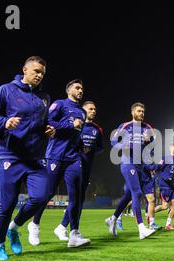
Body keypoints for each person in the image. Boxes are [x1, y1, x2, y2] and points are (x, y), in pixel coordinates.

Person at [0, 56, 55, 261]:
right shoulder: (6, 90)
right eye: (36, 71)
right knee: (7, 204)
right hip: (9, 155)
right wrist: (4, 122)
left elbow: (42, 122)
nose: (39, 75)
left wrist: (49, 130)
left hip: (35, 157)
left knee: (42, 196)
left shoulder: (45, 98)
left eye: (42, 73)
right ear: (24, 70)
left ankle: (14, 227)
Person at [28, 79, 90, 248]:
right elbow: (47, 123)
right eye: (77, 88)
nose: (80, 91)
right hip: (55, 155)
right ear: (69, 90)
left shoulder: (82, 113)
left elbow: (75, 134)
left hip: (74, 158)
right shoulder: (60, 104)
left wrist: (81, 144)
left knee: (76, 196)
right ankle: (34, 225)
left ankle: (74, 234)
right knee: (48, 193)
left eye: (82, 88)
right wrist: (70, 123)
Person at [104, 102, 156, 240]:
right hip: (127, 163)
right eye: (139, 111)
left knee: (128, 195)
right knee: (137, 193)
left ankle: (113, 218)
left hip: (140, 166)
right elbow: (113, 141)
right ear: (132, 112)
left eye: (143, 111)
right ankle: (141, 228)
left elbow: (152, 148)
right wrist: (122, 145)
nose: (142, 114)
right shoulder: (125, 126)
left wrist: (147, 141)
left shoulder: (148, 128)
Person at [54, 101, 104, 240]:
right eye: (90, 109)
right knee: (75, 199)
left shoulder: (97, 129)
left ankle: (63, 227)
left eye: (95, 109)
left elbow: (100, 148)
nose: (93, 111)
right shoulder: (77, 126)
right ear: (83, 111)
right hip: (74, 164)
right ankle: (69, 229)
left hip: (87, 167)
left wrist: (91, 149)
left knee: (79, 200)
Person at [153, 144, 174, 230]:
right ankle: (149, 213)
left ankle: (168, 224)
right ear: (171, 148)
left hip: (173, 186)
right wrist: (165, 178)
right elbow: (157, 170)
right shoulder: (166, 158)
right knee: (165, 206)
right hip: (165, 186)